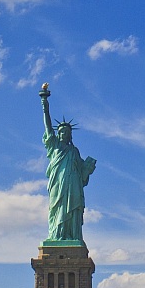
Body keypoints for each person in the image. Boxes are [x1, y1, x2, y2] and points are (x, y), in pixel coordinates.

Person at [39, 83, 96, 243]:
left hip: (73, 185)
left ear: (70, 135)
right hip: (58, 184)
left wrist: (88, 168)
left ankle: (72, 236)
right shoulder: (54, 146)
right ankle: (57, 235)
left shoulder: (74, 151)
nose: (63, 133)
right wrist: (45, 104)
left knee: (73, 209)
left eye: (67, 132)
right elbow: (48, 127)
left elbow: (82, 175)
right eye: (61, 131)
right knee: (57, 208)